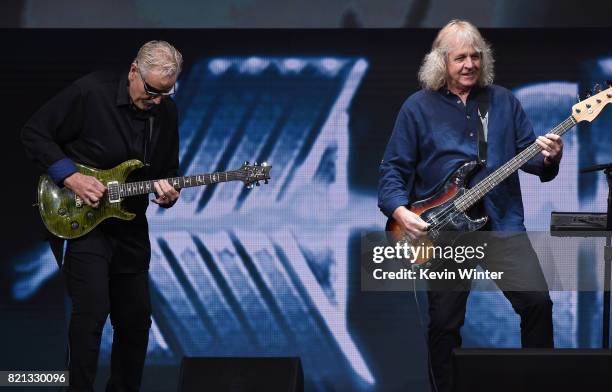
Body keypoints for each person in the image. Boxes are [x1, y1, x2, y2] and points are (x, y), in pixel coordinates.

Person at [378, 20, 563, 392]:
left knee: (538, 304)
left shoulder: (504, 101)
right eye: (460, 57)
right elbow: (392, 171)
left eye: (476, 56)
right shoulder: (417, 108)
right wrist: (400, 211)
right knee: (445, 326)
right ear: (441, 63)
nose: (470, 64)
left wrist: (551, 158)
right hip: (444, 232)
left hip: (502, 225)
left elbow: (533, 161)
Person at [21, 40, 183, 391]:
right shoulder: (91, 92)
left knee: (136, 322)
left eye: (165, 94)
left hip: (130, 227)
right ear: (133, 72)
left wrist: (169, 195)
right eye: (151, 90)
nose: (156, 100)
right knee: (91, 314)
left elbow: (168, 169)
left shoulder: (166, 112)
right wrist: (72, 177)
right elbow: (34, 132)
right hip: (84, 223)